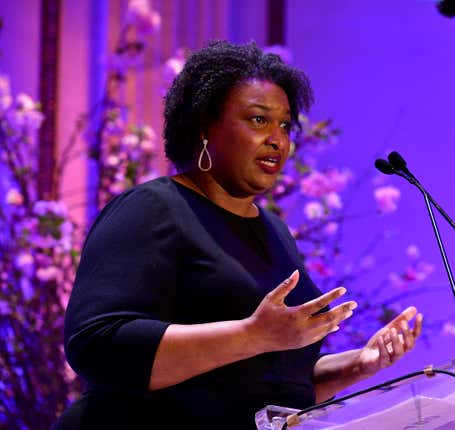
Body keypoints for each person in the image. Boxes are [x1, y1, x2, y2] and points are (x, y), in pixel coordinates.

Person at [55, 40, 423, 429]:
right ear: (203, 128)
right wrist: (252, 335)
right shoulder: (152, 208)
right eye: (258, 119)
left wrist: (360, 363)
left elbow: (268, 383)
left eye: (285, 125)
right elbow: (96, 344)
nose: (278, 139)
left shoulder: (274, 231)